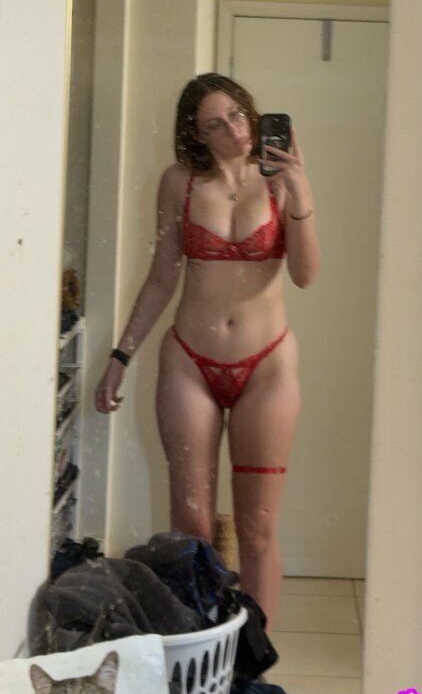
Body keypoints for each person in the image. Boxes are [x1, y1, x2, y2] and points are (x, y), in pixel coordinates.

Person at [94, 73, 321, 630]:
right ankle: (199, 651)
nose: (234, 130)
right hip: (189, 363)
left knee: (257, 527)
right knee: (191, 526)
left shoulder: (280, 183)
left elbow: (305, 274)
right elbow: (161, 278)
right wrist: (120, 357)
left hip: (267, 366)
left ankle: (252, 664)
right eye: (215, 124)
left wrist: (300, 195)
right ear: (196, 134)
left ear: (251, 112)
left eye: (238, 115)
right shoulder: (180, 183)